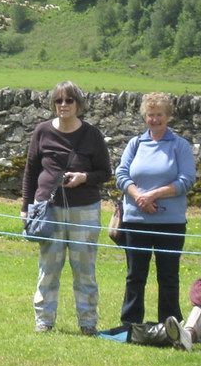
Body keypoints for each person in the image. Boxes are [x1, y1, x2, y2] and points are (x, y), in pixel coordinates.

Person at [21, 81, 112, 334]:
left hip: (85, 209)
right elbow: (30, 171)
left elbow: (105, 172)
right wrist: (25, 207)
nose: (63, 105)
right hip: (48, 210)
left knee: (84, 269)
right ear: (53, 104)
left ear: (78, 104)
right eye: (59, 101)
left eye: (69, 100)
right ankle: (44, 321)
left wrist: (84, 177)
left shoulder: (92, 135)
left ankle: (87, 323)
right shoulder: (42, 131)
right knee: (48, 268)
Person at [115, 92, 196, 328]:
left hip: (170, 223)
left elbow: (187, 180)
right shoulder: (135, 144)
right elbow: (121, 175)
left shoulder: (180, 146)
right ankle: (130, 323)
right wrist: (139, 196)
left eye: (159, 115)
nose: (155, 119)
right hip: (135, 221)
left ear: (168, 116)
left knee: (168, 276)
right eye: (151, 115)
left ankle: (170, 324)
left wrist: (154, 194)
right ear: (145, 117)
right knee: (135, 276)